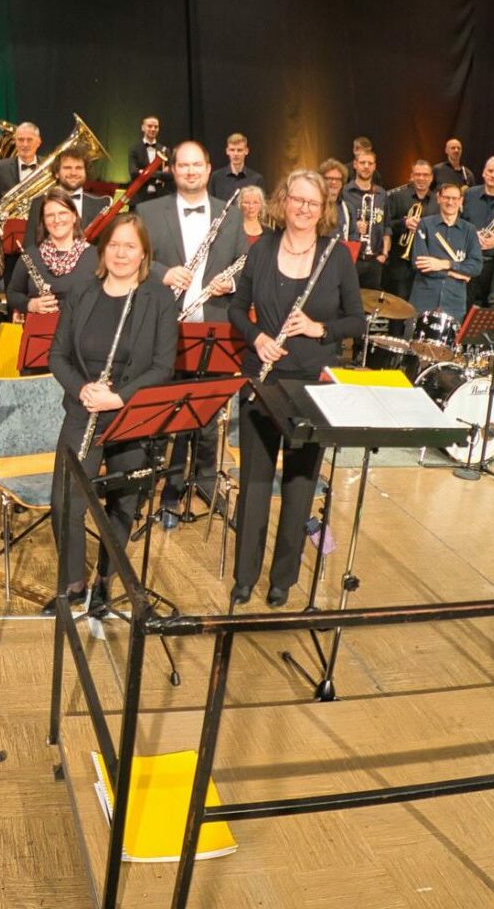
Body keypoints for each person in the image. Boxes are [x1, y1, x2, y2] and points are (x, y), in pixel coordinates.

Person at [228, 171, 364, 607]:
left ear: (323, 210)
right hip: (262, 378)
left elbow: (357, 320)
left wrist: (319, 328)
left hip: (311, 384)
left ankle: (282, 579)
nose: (304, 209)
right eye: (297, 200)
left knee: (300, 482)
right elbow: (236, 309)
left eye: (313, 203)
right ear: (283, 201)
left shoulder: (335, 255)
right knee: (254, 481)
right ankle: (245, 576)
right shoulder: (262, 249)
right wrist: (256, 338)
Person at [44, 213, 178, 616]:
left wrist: (119, 398)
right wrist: (82, 389)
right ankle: (73, 583)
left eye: (130, 246)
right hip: (84, 408)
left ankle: (105, 578)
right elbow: (58, 355)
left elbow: (162, 366)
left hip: (129, 414)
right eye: (114, 245)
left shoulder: (158, 299)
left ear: (144, 254)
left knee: (123, 502)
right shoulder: (82, 292)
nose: (121, 254)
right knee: (65, 501)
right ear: (103, 251)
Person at [136, 139, 245, 511]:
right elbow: (133, 258)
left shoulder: (230, 214)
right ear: (172, 170)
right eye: (183, 165)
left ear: (209, 168)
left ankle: (205, 478)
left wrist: (231, 282)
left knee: (208, 411)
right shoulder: (148, 211)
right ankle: (166, 481)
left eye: (197, 165)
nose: (190, 171)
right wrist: (163, 273)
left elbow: (246, 261)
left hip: (213, 327)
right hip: (166, 328)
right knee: (165, 408)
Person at [6, 187, 99, 320]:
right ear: (43, 221)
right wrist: (30, 305)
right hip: (39, 327)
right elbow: (12, 293)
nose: (57, 220)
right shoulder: (31, 254)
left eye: (63, 213)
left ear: (74, 216)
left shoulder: (95, 256)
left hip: (79, 327)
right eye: (50, 215)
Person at [410, 181, 482, 322]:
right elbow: (419, 264)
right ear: (438, 198)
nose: (450, 202)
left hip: (454, 302)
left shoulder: (469, 230)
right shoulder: (424, 224)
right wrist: (455, 273)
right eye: (446, 197)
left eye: (454, 198)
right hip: (424, 298)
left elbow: (476, 267)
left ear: (461, 201)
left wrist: (445, 264)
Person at [25, 146, 110, 245]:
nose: (73, 173)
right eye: (67, 168)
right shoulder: (39, 203)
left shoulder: (100, 204)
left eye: (79, 168)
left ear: (85, 172)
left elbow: (105, 246)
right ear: (57, 173)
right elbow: (29, 245)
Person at [383, 160, 438, 303]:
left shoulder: (437, 201)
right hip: (400, 264)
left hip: (425, 262)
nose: (421, 178)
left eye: (425, 175)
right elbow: (386, 225)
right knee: (399, 305)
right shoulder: (397, 197)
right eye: (417, 174)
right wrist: (404, 223)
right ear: (411, 176)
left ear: (431, 177)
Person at [461, 156, 494, 307]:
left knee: (489, 311)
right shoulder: (469, 195)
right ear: (483, 173)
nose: (493, 175)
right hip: (467, 262)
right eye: (490, 171)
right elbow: (456, 223)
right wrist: (472, 235)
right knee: (464, 309)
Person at [342, 148, 388, 289]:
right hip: (351, 260)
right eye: (362, 163)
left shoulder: (381, 194)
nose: (366, 166)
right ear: (355, 164)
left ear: (374, 167)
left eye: (370, 163)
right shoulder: (344, 192)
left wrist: (384, 254)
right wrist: (354, 226)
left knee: (371, 300)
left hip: (374, 261)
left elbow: (387, 226)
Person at [0, 122, 43, 203]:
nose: (25, 144)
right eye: (20, 140)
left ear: (38, 142)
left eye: (29, 140)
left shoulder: (49, 165)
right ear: (15, 141)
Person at [127, 115, 171, 204]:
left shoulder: (165, 150)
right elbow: (133, 173)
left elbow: (170, 175)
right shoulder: (134, 149)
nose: (153, 129)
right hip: (139, 198)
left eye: (156, 127)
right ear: (143, 128)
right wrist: (160, 175)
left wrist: (143, 172)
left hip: (160, 197)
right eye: (150, 126)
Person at [208, 133, 265, 199]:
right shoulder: (216, 177)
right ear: (227, 151)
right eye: (232, 150)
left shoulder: (257, 179)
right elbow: (211, 202)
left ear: (246, 151)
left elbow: (261, 204)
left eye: (239, 150)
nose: (235, 154)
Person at [318, 159, 350, 239]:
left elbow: (353, 238)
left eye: (338, 179)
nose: (334, 182)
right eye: (329, 178)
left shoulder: (348, 208)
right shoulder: (313, 206)